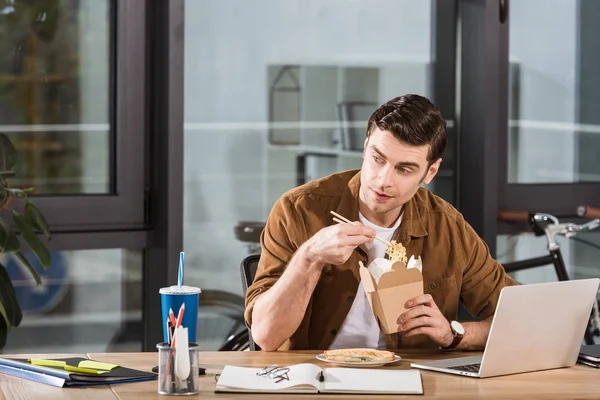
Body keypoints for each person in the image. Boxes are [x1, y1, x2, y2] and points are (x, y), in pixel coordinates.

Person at [244, 94, 517, 352]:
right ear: (365, 148)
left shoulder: (446, 227)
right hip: (316, 377)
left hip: (411, 380)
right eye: (378, 159)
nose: (383, 180)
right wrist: (309, 258)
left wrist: (452, 334)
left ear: (430, 172)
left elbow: (518, 319)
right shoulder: (299, 210)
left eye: (404, 169)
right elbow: (266, 336)